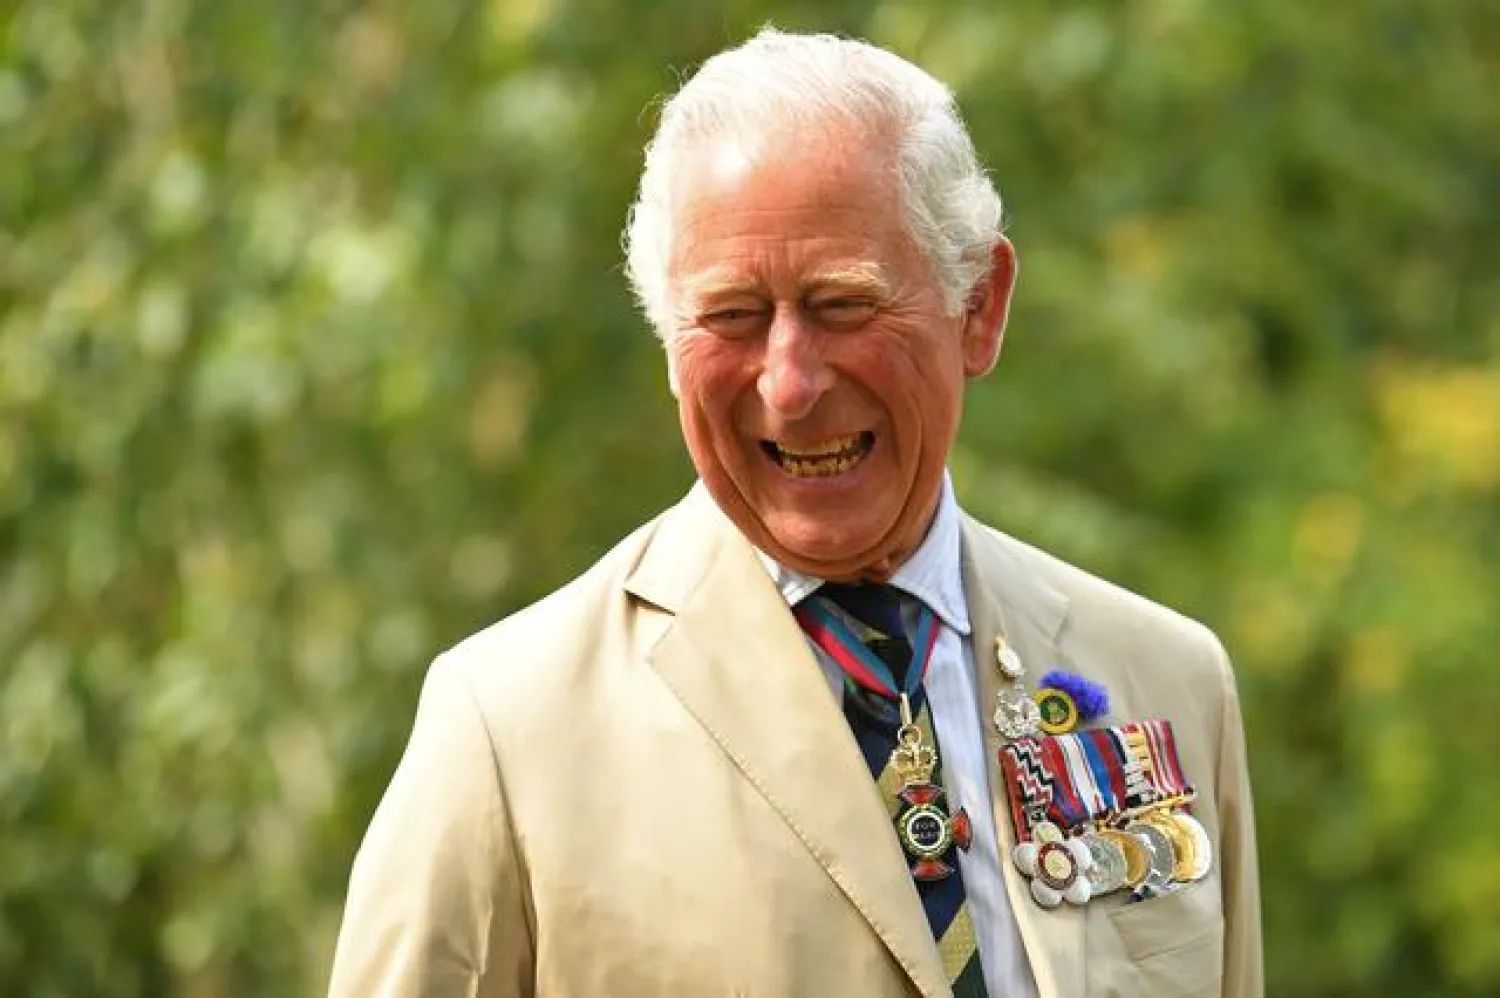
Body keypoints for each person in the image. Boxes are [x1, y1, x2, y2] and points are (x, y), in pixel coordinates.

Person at [327, 28, 1262, 998]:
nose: (790, 381)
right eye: (731, 315)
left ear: (978, 305)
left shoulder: (1167, 682)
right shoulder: (507, 731)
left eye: (842, 304)